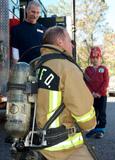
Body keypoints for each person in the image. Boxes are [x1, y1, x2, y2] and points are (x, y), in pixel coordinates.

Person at [27, 26, 96, 160]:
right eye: (70, 41)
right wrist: (90, 124)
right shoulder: (66, 67)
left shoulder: (34, 65)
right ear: (59, 42)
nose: (72, 45)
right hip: (63, 147)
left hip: (35, 141)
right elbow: (82, 109)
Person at [84, 47, 109, 139]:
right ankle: (92, 128)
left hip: (101, 96)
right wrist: (92, 93)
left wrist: (99, 92)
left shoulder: (104, 69)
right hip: (91, 96)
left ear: (100, 58)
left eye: (96, 58)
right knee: (93, 113)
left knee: (102, 113)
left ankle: (100, 130)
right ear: (90, 59)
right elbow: (86, 83)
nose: (95, 60)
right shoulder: (87, 70)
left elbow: (105, 82)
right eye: (93, 58)